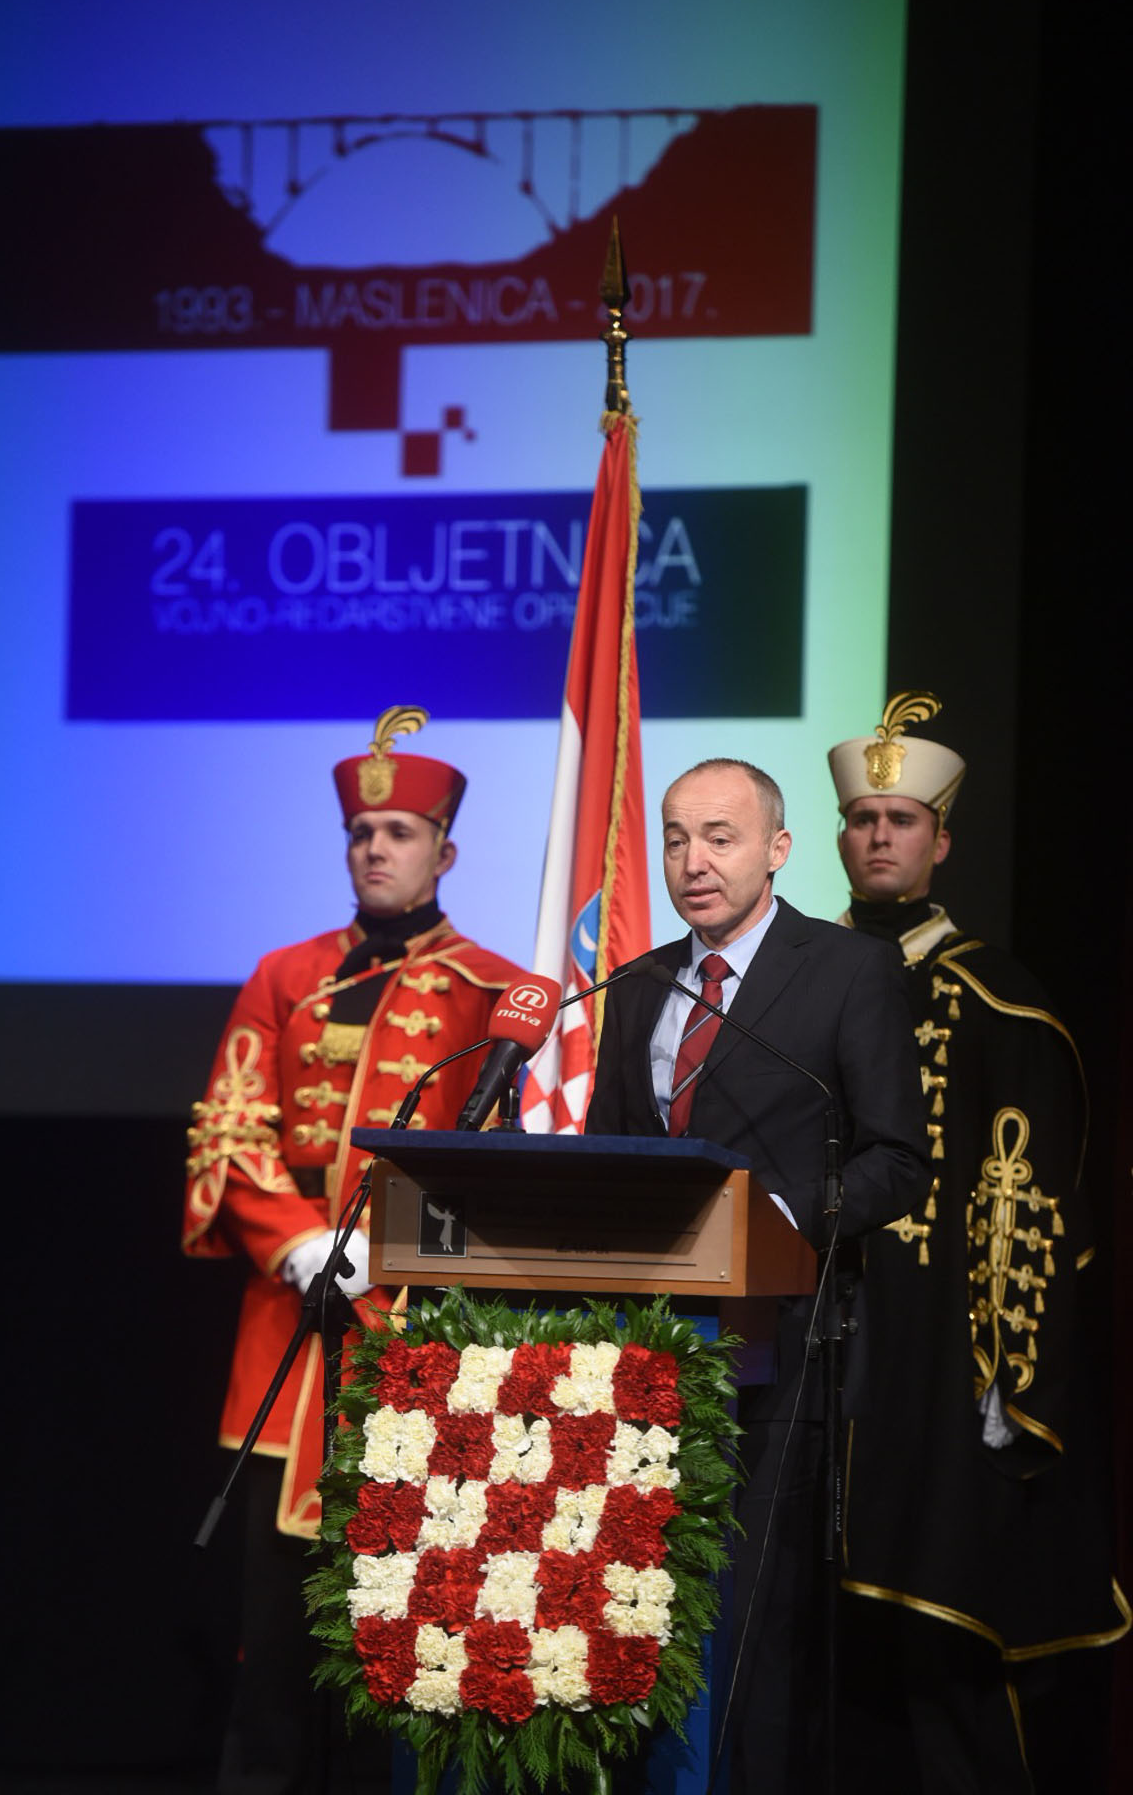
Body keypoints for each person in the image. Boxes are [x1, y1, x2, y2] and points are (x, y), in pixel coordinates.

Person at [184, 706, 522, 1795]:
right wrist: (296, 1245)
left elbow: (501, 1164)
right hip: (286, 1344)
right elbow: (231, 1125)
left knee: (401, 1636)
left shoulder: (494, 990)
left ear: (445, 852)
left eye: (400, 832)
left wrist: (388, 1246)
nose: (376, 848)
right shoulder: (283, 976)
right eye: (361, 833)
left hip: (413, 1338)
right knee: (274, 1644)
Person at [585, 756, 930, 1795]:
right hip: (644, 1357)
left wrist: (785, 1217)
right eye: (676, 838)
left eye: (720, 837)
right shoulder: (637, 984)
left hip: (779, 1353)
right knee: (635, 1618)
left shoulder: (849, 970)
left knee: (751, 1633)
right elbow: (610, 1157)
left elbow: (899, 1158)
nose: (694, 861)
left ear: (778, 849)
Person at [828, 691, 1130, 1793]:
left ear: (940, 843)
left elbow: (1032, 1200)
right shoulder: (798, 979)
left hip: (942, 1360)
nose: (880, 836)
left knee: (941, 1646)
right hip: (817, 1338)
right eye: (863, 818)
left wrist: (1013, 1377)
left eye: (901, 820)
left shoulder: (1000, 1000)